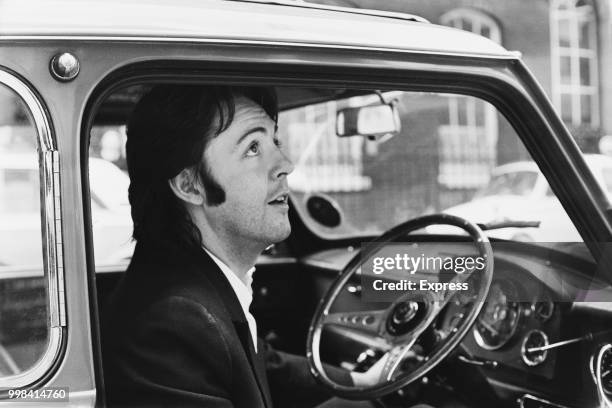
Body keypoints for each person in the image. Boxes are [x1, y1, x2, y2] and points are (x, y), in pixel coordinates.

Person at [101, 84, 389, 408]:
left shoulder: (188, 283)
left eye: (274, 141)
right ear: (190, 185)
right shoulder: (173, 322)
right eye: (253, 147)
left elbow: (262, 363)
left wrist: (361, 382)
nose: (286, 163)